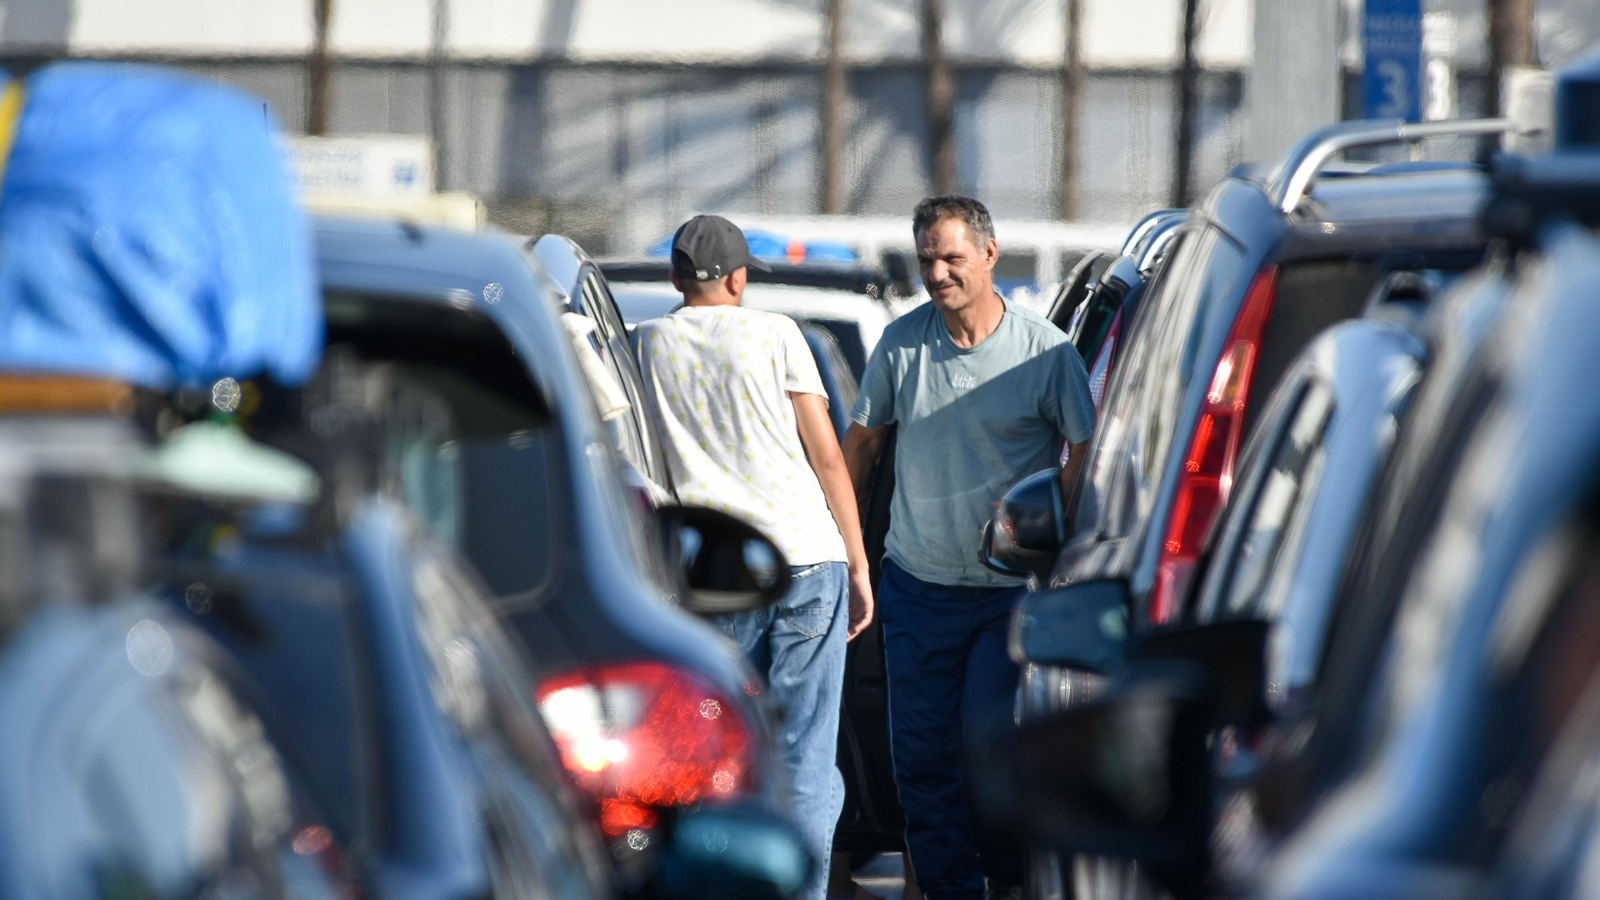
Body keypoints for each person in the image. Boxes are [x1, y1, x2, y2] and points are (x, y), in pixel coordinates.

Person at [841, 196, 1096, 900]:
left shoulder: (1045, 352)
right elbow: (859, 448)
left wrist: (1049, 524)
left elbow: (1085, 446)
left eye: (952, 257)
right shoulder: (901, 345)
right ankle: (953, 890)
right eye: (927, 259)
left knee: (990, 749)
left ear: (990, 255)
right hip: (917, 587)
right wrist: (849, 550)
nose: (938, 273)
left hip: (1007, 596)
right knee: (921, 763)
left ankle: (1009, 881)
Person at [634, 215, 875, 900]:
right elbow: (827, 457)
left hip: (716, 572)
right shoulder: (777, 334)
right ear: (739, 278)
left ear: (674, 278)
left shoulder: (644, 344)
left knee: (718, 750)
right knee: (806, 751)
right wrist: (857, 564)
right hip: (805, 557)